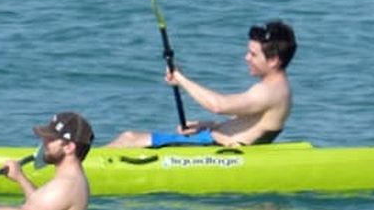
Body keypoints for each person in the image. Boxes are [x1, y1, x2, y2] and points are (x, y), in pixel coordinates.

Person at [106, 21, 297, 148]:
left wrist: (180, 79)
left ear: (273, 60)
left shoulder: (268, 92)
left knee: (128, 139)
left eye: (253, 54)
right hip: (212, 141)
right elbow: (248, 123)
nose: (246, 58)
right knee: (129, 137)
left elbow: (218, 105)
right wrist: (206, 125)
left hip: (218, 151)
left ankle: (81, 173)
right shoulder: (278, 88)